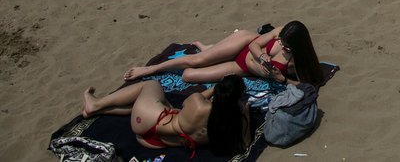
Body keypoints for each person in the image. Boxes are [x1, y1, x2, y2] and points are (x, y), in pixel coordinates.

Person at [80, 76, 249, 156]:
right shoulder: (230, 122)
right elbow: (244, 144)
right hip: (156, 143)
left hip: (149, 122)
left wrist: (215, 88)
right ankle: (98, 110)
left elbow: (187, 103)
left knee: (151, 86)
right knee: (164, 105)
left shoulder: (198, 104)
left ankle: (96, 104)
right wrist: (246, 116)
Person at [122, 22, 325, 87]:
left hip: (242, 68)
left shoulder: (297, 63)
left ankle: (209, 48)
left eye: (286, 47)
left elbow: (308, 86)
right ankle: (149, 69)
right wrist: (263, 57)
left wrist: (282, 80)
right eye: (280, 40)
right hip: (244, 45)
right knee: (197, 60)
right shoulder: (282, 32)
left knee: (189, 75)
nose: (281, 45)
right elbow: (256, 44)